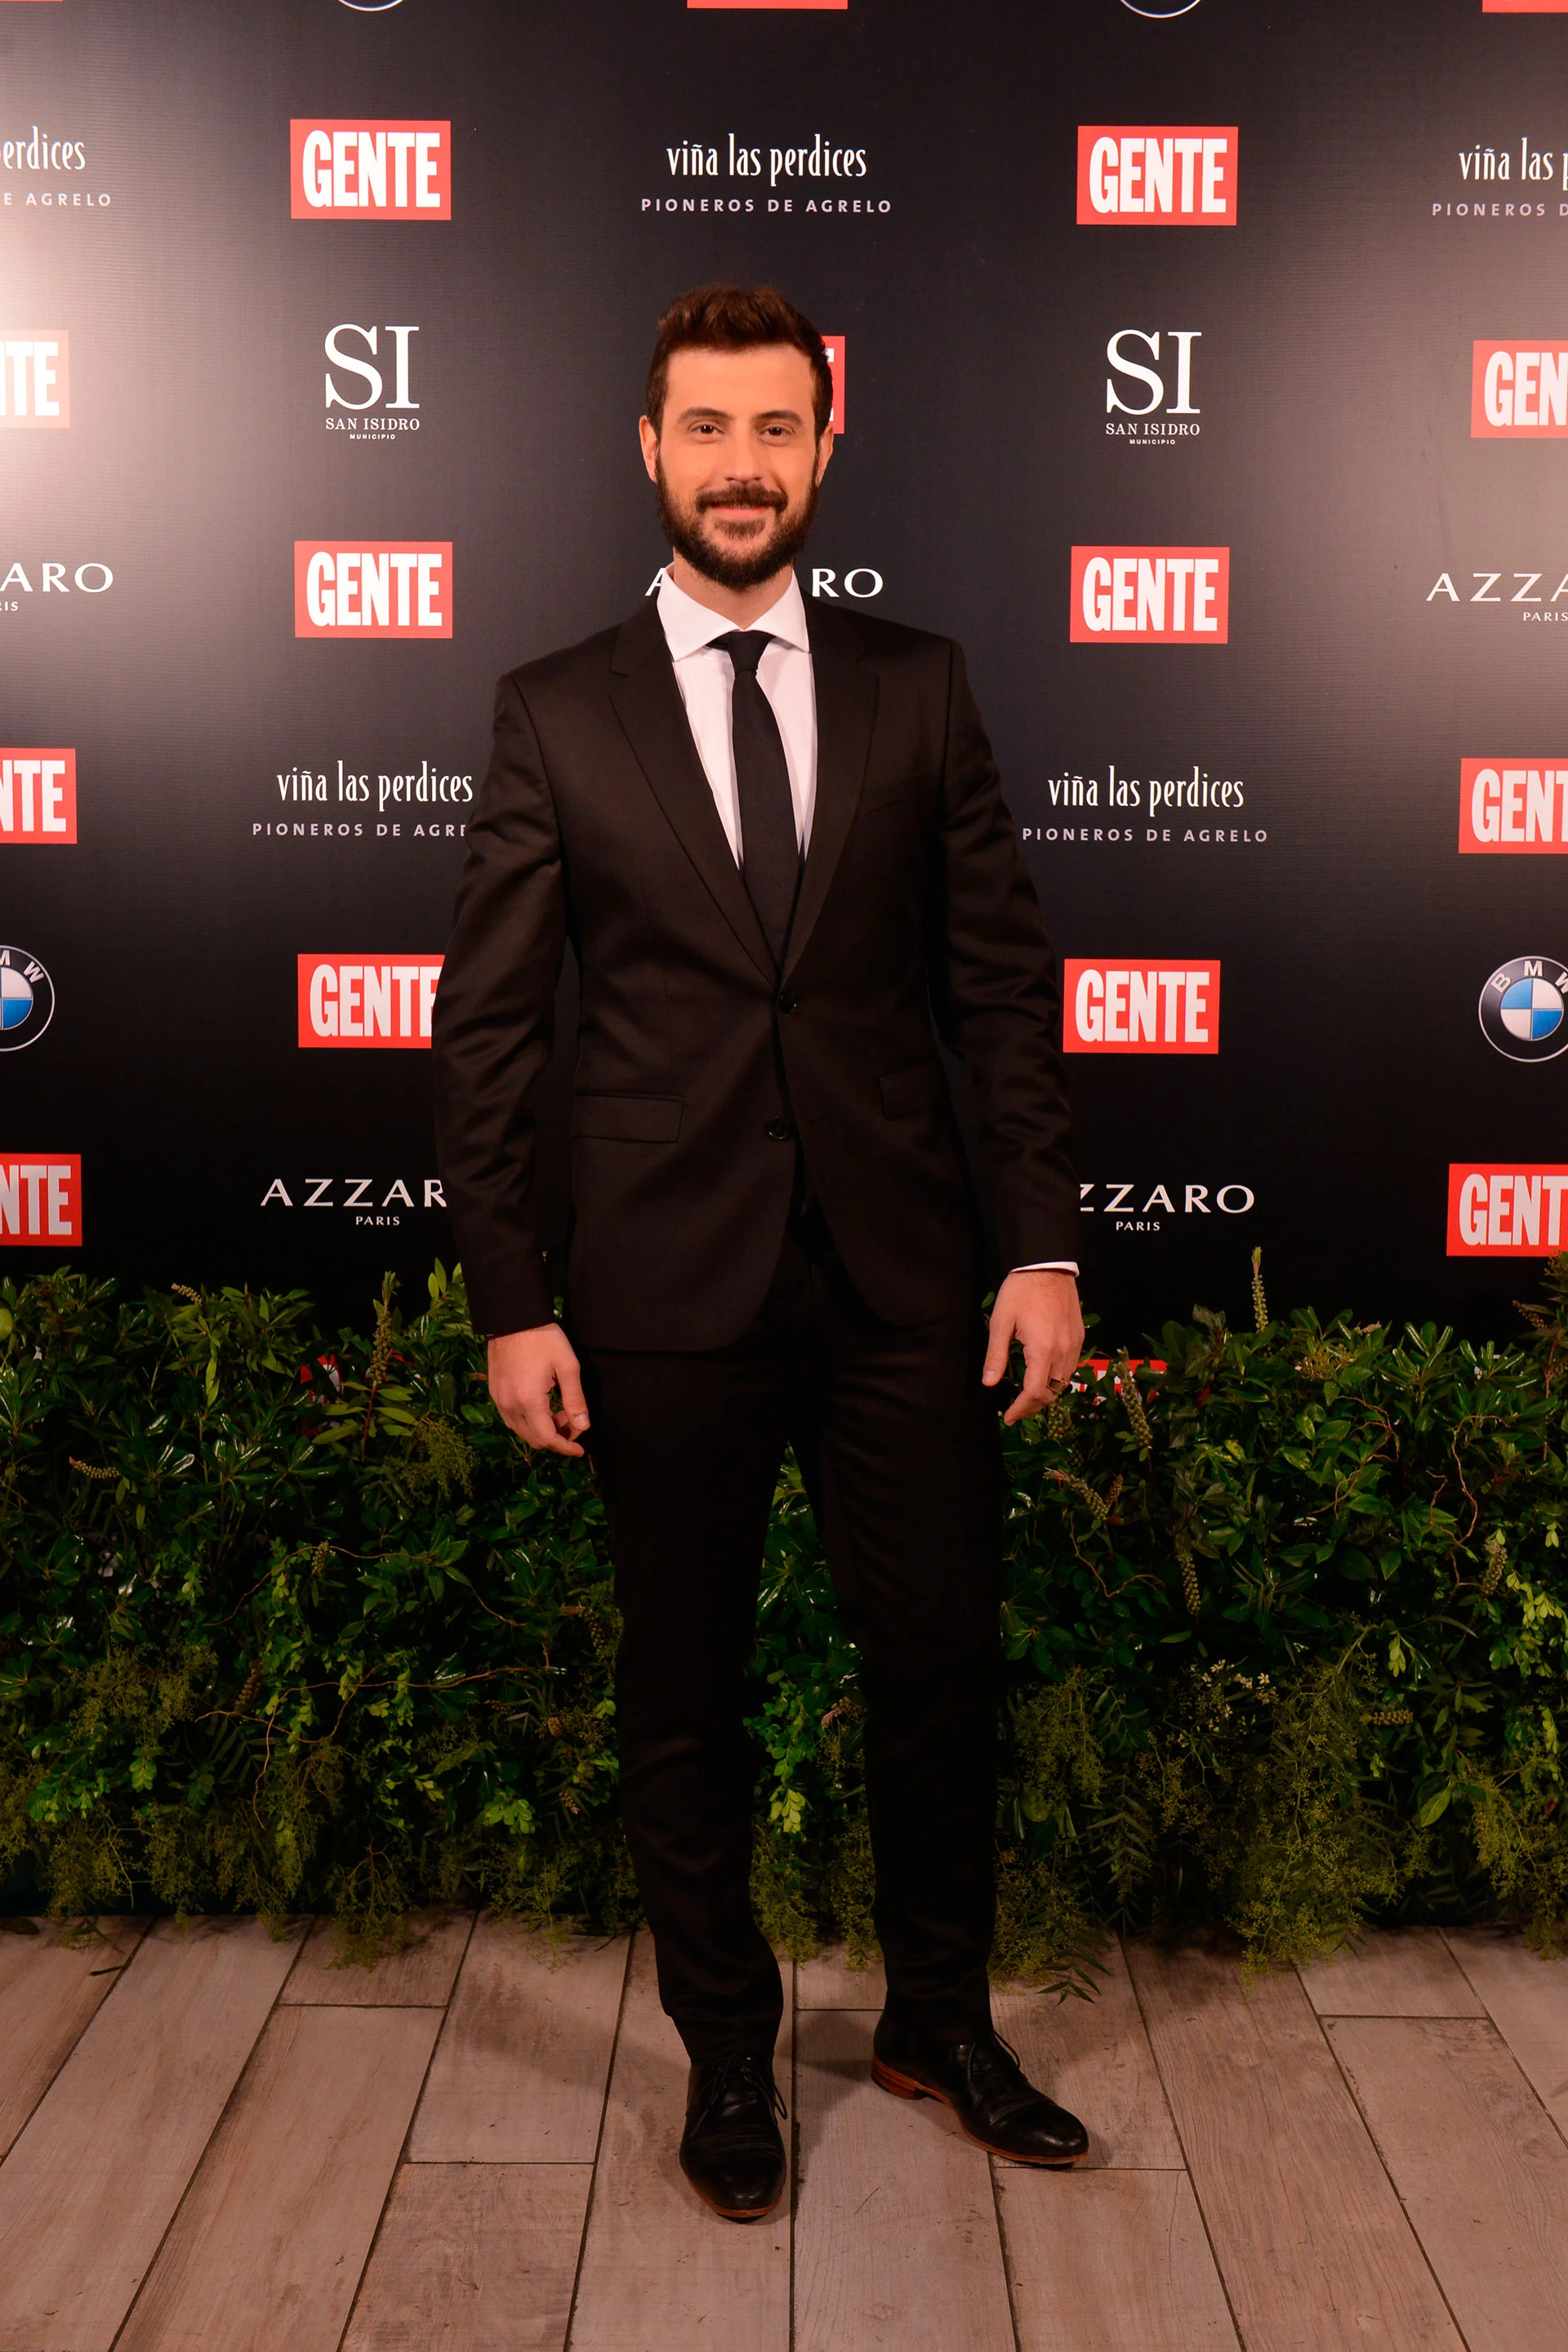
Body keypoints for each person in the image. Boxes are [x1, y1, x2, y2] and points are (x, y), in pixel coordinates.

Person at [432, 283, 1089, 2221]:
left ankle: (939, 2020)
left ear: (824, 445)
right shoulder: (554, 710)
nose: (742, 466)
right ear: (651, 450)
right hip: (661, 1286)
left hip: (904, 1280)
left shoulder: (920, 687)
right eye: (707, 429)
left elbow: (1000, 993)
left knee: (940, 1662)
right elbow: (490, 1033)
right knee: (685, 1689)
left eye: (775, 428)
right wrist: (513, 1297)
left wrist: (1043, 1251)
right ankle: (728, 2047)